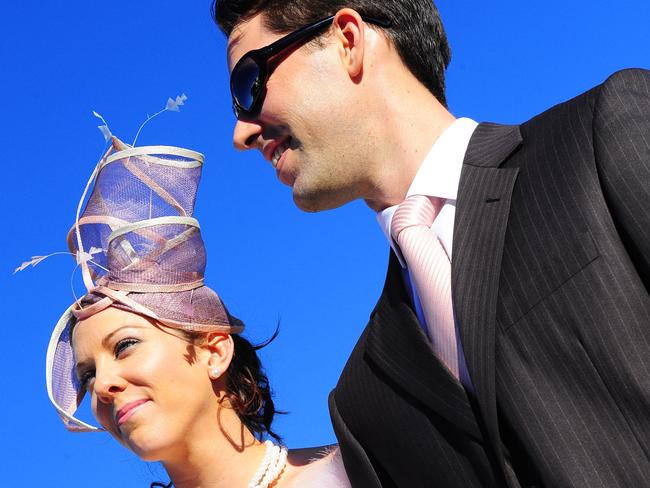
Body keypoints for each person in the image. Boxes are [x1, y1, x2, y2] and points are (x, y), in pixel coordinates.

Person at [212, 0, 650, 486]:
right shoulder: (362, 398)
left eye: (248, 85)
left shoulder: (601, 139)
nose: (240, 133)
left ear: (347, 40)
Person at [44, 137, 351, 488]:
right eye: (87, 375)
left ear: (214, 350)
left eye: (125, 345)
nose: (102, 385)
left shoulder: (359, 472)